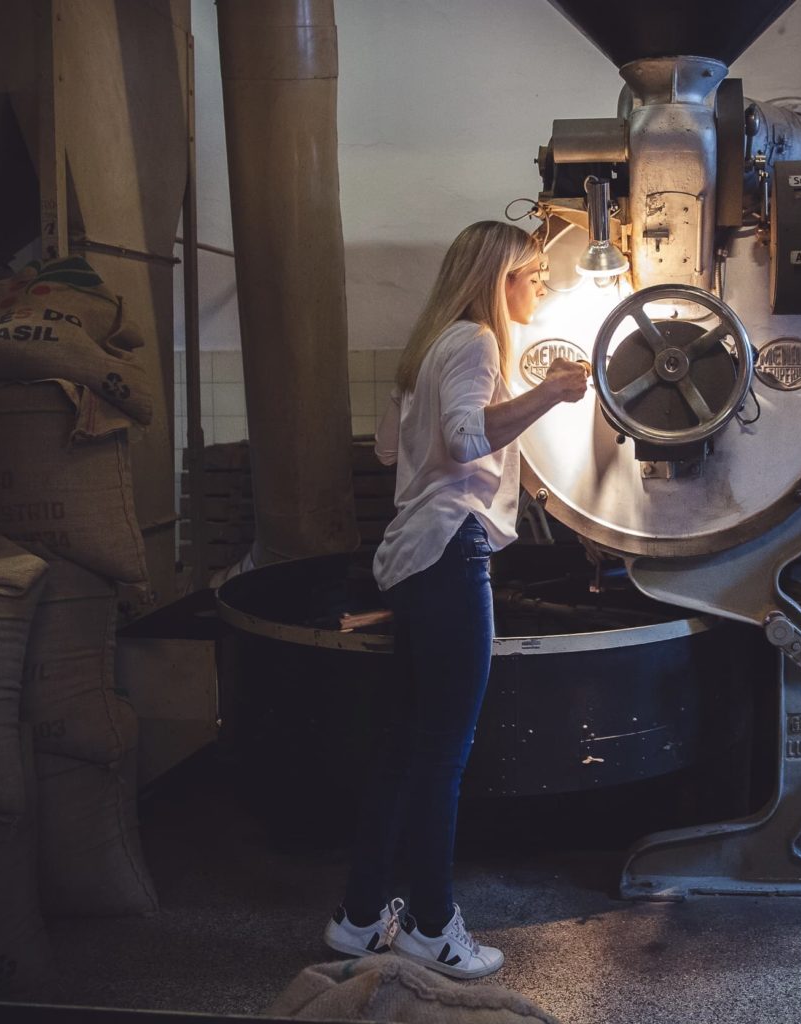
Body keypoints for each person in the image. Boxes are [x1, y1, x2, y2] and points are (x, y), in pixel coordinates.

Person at [323, 221, 588, 978]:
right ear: (500, 277)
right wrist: (548, 393)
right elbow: (468, 438)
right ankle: (433, 928)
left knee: (408, 747)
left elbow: (386, 447)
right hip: (450, 551)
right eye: (533, 273)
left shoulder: (428, 346)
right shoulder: (475, 342)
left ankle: (361, 916)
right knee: (444, 755)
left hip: (413, 554)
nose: (541, 284)